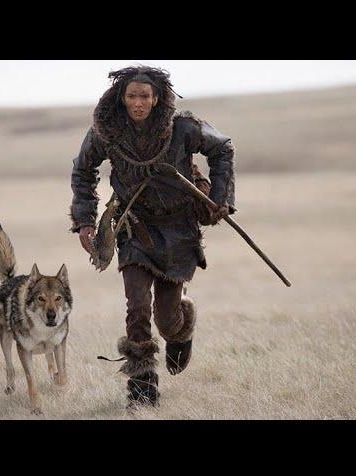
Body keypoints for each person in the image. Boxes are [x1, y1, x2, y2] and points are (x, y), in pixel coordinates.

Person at [69, 65, 236, 409]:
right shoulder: (106, 131)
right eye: (131, 96)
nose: (138, 103)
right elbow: (83, 170)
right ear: (122, 97)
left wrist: (220, 198)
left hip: (179, 231)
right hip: (135, 229)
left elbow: (222, 149)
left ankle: (182, 329)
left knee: (167, 321)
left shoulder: (183, 127)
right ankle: (142, 389)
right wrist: (85, 221)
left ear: (157, 98)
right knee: (137, 307)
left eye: (144, 96)